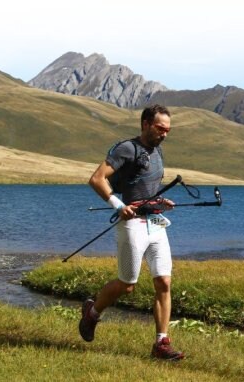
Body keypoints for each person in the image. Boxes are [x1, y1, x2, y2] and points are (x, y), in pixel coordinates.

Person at [79, 104, 185, 361]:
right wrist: (118, 204)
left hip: (156, 222)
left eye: (168, 130)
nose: (165, 134)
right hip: (131, 223)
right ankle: (92, 312)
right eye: (161, 128)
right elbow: (97, 179)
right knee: (127, 285)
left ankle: (161, 343)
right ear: (146, 124)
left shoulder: (158, 152)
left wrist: (160, 203)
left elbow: (147, 190)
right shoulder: (127, 148)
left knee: (164, 281)